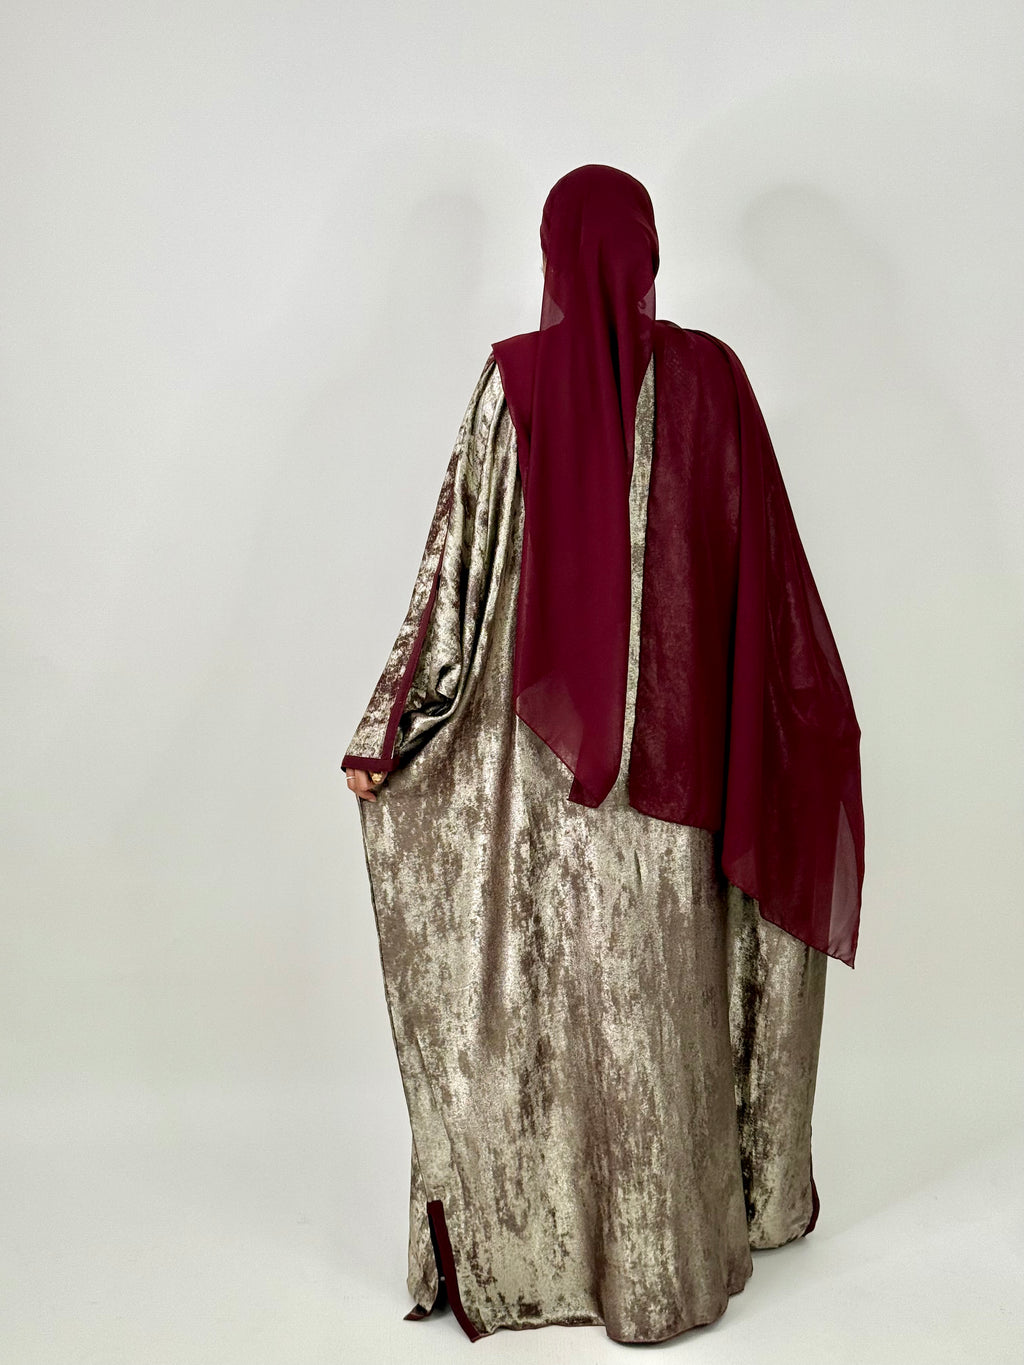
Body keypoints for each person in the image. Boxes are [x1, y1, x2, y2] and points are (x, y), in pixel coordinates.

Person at [341, 164, 864, 1344]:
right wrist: (791, 721)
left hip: (547, 783)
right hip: (685, 773)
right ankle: (667, 1259)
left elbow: (453, 586)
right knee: (659, 1008)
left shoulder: (514, 384)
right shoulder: (713, 380)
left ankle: (561, 1248)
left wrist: (392, 730)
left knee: (568, 1012)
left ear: (551, 259)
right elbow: (764, 582)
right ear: (648, 255)